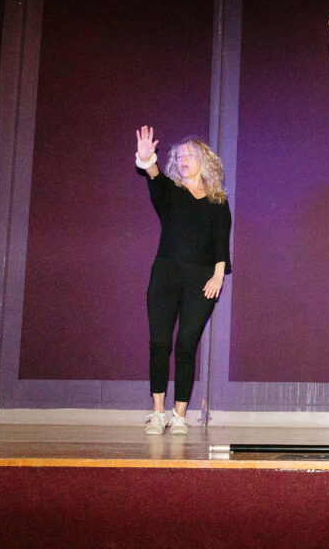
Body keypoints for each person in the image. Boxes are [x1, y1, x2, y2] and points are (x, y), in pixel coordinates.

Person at [135, 126, 231, 436]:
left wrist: (218, 275)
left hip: (202, 280)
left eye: (190, 154)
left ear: (204, 160)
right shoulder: (170, 192)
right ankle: (158, 412)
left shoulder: (218, 201)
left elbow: (221, 243)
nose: (184, 158)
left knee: (186, 345)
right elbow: (153, 174)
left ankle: (179, 415)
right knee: (160, 343)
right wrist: (147, 156)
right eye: (179, 156)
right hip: (165, 275)